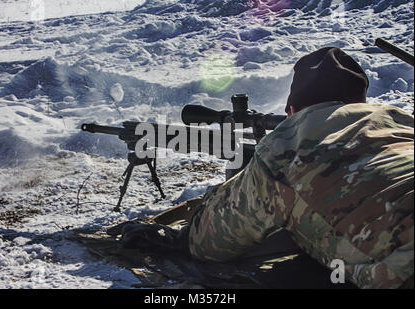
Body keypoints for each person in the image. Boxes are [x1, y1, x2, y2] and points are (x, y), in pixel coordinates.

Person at [112, 47, 414, 289]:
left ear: (292, 109)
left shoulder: (285, 147)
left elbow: (212, 242)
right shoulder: (400, 121)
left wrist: (175, 239)